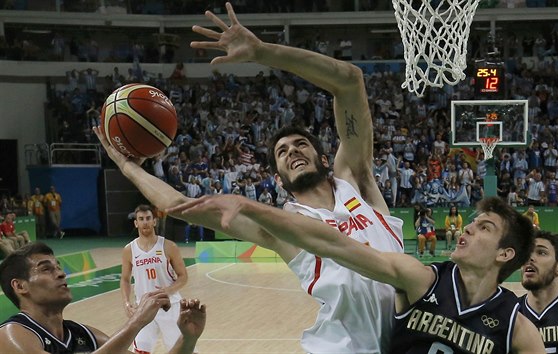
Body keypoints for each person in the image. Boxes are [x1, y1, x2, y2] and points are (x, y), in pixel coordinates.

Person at [94, 3, 404, 353]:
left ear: (322, 157)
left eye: (300, 144)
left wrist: (262, 51)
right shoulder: (282, 226)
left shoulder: (357, 182)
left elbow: (350, 81)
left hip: (409, 340)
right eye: (282, 152)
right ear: (278, 178)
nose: (293, 152)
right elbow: (179, 205)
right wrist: (127, 167)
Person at [168, 195, 546, 353]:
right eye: (472, 222)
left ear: (505, 253)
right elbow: (334, 244)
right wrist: (249, 207)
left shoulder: (518, 328)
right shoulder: (420, 280)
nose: (466, 229)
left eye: (484, 229)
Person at [0, 242, 205, 354]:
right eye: (46, 269)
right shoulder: (10, 335)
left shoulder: (84, 334)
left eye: (59, 267)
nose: (61, 274)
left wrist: (187, 339)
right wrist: (136, 322)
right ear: (20, 286)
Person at [121, 205, 190, 354]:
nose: (145, 222)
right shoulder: (129, 250)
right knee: (140, 350)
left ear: (154, 222)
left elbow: (183, 276)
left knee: (180, 350)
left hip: (170, 306)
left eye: (148, 218)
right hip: (144, 308)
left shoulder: (168, 246)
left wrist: (168, 290)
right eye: (141, 219)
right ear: (136, 223)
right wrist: (127, 302)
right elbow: (125, 279)